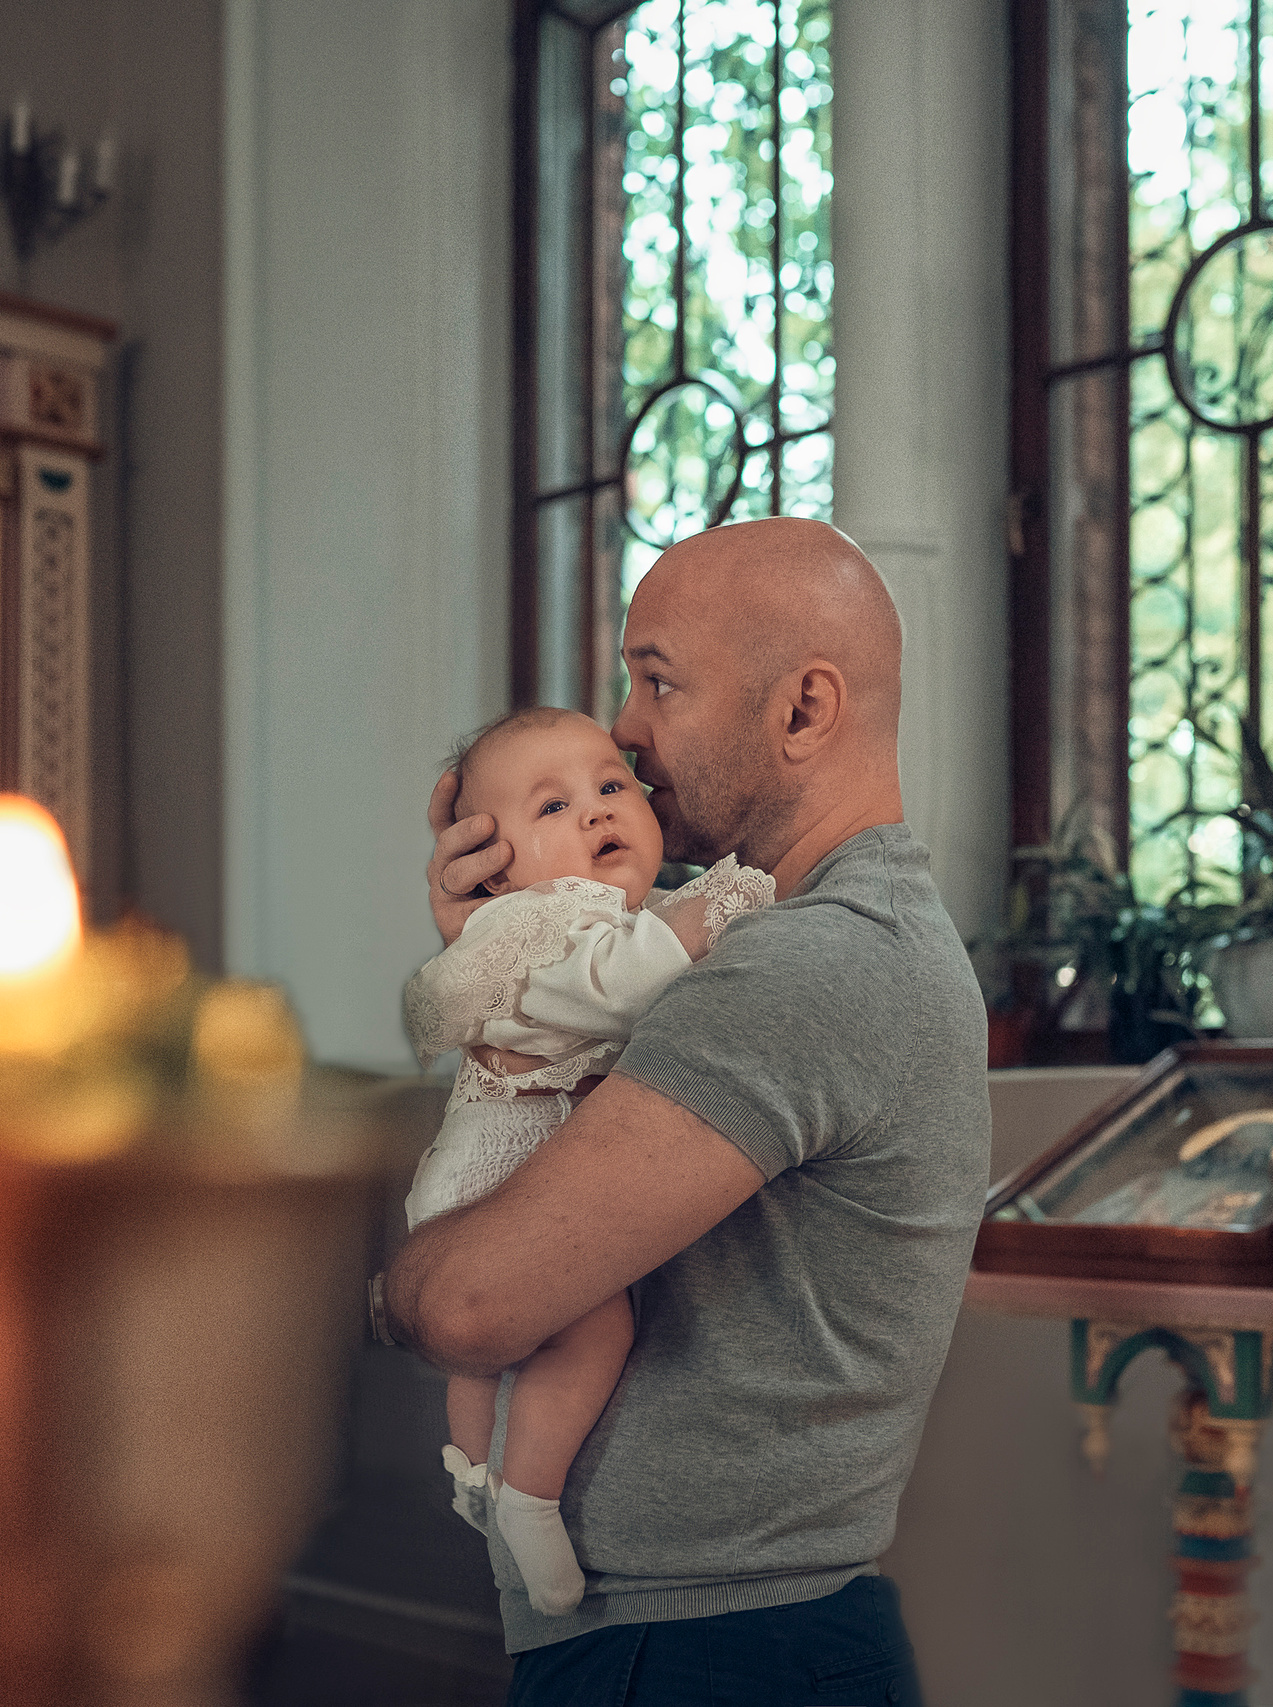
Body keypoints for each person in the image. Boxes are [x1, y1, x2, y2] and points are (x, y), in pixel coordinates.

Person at [379, 517, 989, 1704]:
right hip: (716, 1642)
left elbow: (471, 1301)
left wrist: (385, 1295)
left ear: (804, 711)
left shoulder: (810, 966)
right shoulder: (757, 941)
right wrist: (505, 951)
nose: (623, 729)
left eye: (656, 679)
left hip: (709, 1656)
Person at [399, 705, 772, 1615]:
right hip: (507, 1160)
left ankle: (476, 1472)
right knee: (591, 1330)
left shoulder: (563, 913)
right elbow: (616, 987)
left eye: (611, 786)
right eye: (554, 807)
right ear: (495, 863)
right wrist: (708, 914)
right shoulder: (551, 922)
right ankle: (528, 1495)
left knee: (486, 1363)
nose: (599, 811)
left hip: (476, 1164)